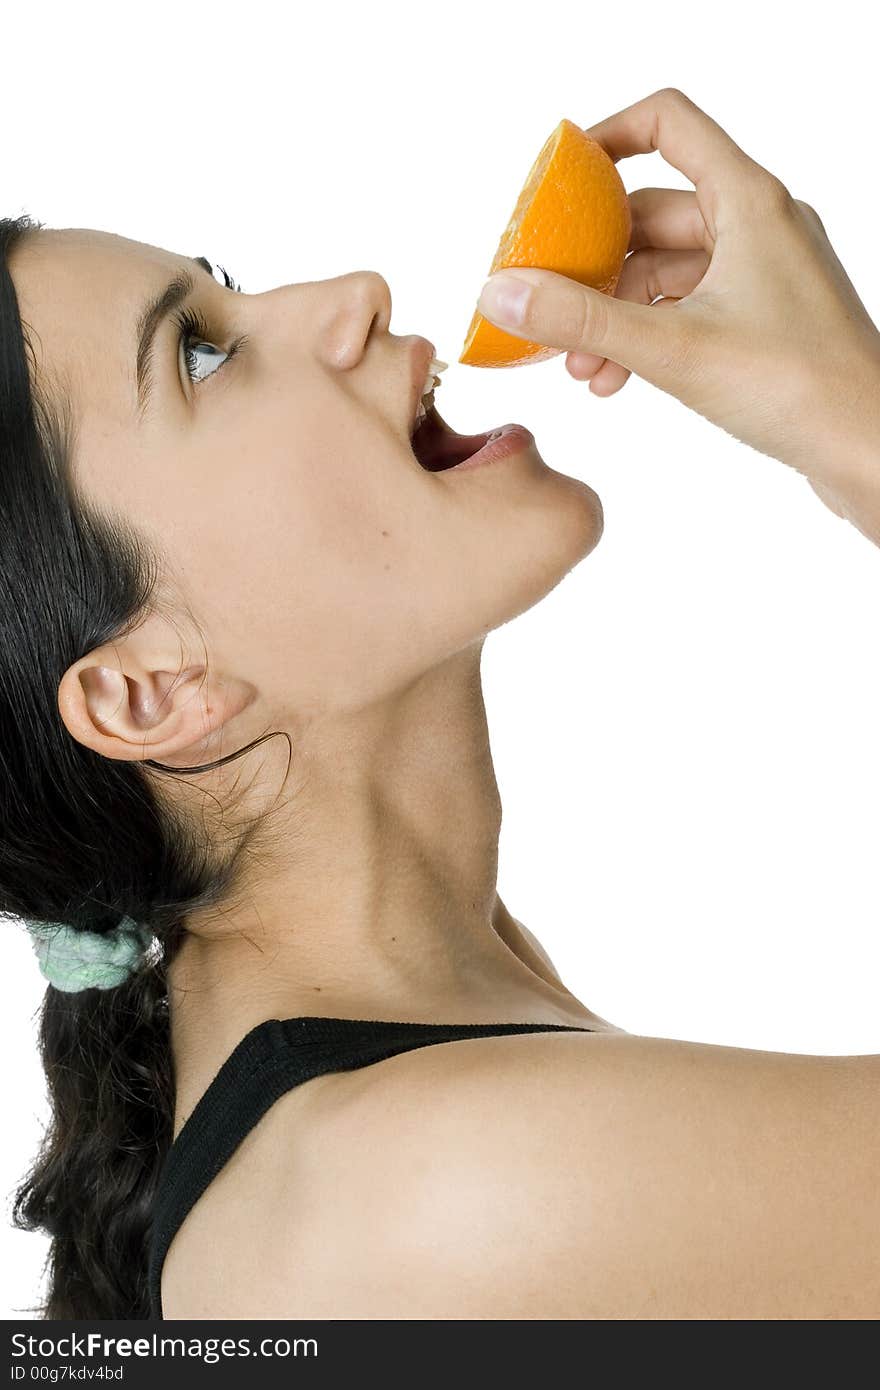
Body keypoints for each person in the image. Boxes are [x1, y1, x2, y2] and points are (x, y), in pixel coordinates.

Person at [2, 86, 877, 1323]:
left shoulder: (423, 1075)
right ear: (151, 691)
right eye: (200, 352)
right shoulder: (427, 1186)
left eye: (228, 287)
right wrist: (854, 424)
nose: (354, 291)